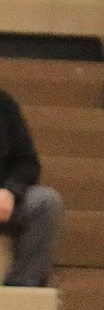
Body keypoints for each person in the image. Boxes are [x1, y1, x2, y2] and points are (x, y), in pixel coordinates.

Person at [0, 88, 63, 288]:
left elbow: (28, 163)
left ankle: (23, 289)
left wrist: (10, 190)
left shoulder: (4, 105)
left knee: (46, 202)